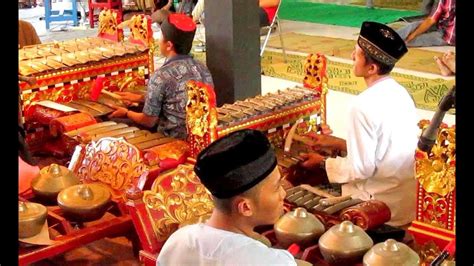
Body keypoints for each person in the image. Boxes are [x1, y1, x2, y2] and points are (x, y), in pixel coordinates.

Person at [300, 21, 419, 227]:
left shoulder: (361, 105)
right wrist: (337, 143)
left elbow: (361, 169)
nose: (351, 57)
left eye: (356, 54)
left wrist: (322, 162)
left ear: (372, 68)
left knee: (301, 207)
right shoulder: (401, 93)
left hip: (378, 205)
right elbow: (384, 149)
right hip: (405, 200)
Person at [157, 129, 296, 265]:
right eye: (277, 187)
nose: (283, 194)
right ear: (245, 207)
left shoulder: (177, 243)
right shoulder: (271, 262)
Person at [109, 14, 213, 139]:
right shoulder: (203, 68)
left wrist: (126, 113)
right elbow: (177, 98)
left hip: (174, 137)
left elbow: (148, 121)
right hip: (201, 134)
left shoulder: (161, 76)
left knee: (114, 122)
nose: (158, 41)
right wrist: (140, 98)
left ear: (169, 45)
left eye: (160, 37)